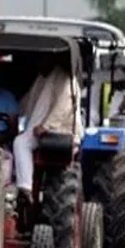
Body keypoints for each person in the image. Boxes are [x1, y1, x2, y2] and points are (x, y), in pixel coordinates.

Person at [12, 56, 82, 201]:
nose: (39, 62)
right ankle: (20, 186)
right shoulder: (42, 78)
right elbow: (29, 101)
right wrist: (13, 112)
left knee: (21, 142)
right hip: (39, 131)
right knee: (18, 141)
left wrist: (46, 126)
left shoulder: (64, 79)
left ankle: (25, 188)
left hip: (59, 132)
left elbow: (64, 106)